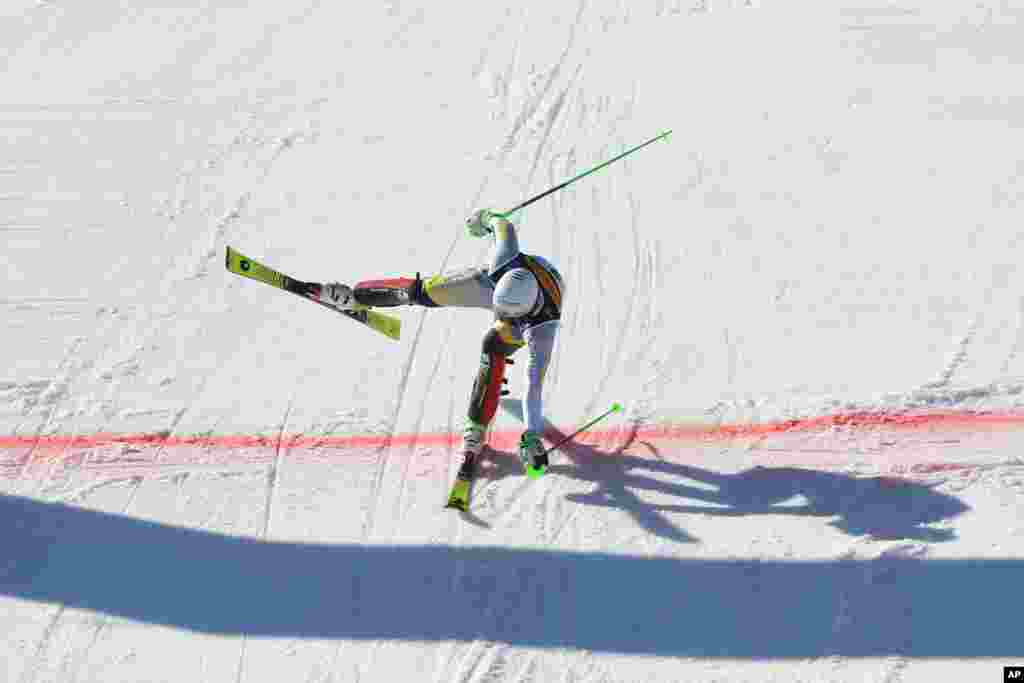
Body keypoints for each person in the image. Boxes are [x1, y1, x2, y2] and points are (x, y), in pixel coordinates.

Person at [306, 209, 565, 481]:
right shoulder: (504, 261)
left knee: (493, 344)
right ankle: (356, 296)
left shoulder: (541, 331)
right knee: (423, 292)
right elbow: (502, 224)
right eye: (498, 310)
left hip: (526, 312)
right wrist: (483, 219)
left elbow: (534, 385)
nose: (497, 314)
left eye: (505, 313)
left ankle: (476, 428)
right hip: (493, 285)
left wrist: (532, 434)